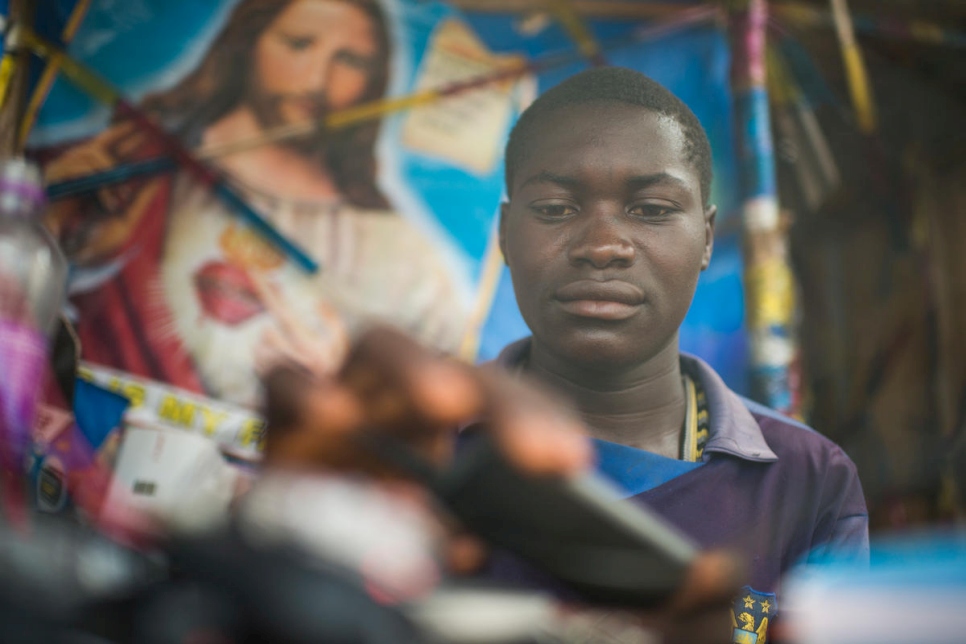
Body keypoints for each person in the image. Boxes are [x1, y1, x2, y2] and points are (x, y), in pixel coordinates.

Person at [264, 67, 869, 643]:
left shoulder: (806, 478)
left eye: (652, 210)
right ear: (504, 234)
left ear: (707, 238)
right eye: (555, 209)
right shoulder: (408, 442)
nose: (603, 246)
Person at [42, 0, 470, 407]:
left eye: (350, 61)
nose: (318, 79)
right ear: (248, 42)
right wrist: (62, 227)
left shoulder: (408, 264)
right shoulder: (123, 167)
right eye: (299, 43)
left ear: (373, 81)